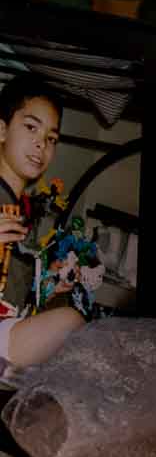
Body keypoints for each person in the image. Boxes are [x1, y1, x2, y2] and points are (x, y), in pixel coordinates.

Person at [0, 75, 84, 370]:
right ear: (1, 129)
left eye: (51, 138)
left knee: (73, 316)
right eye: (31, 127)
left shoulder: (24, 208)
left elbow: (14, 290)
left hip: (8, 325)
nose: (40, 144)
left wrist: (48, 283)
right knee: (71, 323)